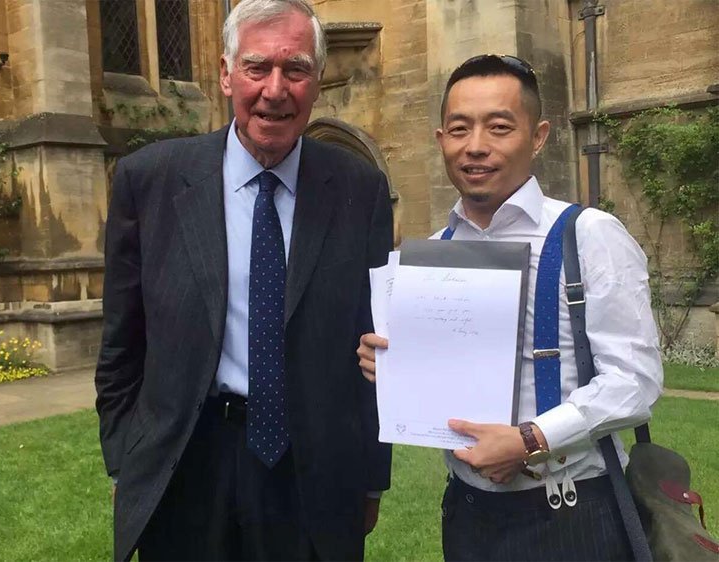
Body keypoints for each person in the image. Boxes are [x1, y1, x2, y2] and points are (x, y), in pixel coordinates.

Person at [95, 1, 393, 560]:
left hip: (313, 472)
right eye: (258, 67)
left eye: (296, 69)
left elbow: (373, 346)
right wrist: (125, 462)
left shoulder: (360, 188)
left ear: (317, 80)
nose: (275, 90)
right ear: (227, 74)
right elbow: (121, 343)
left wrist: (372, 479)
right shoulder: (149, 181)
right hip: (186, 464)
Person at [357, 54, 663, 561]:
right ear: (441, 140)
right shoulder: (432, 252)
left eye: (499, 127)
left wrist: (530, 439)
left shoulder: (587, 235)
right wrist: (390, 364)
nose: (476, 145)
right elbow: (439, 374)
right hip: (467, 514)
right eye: (460, 129)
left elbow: (635, 381)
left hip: (571, 513)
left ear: (538, 137)